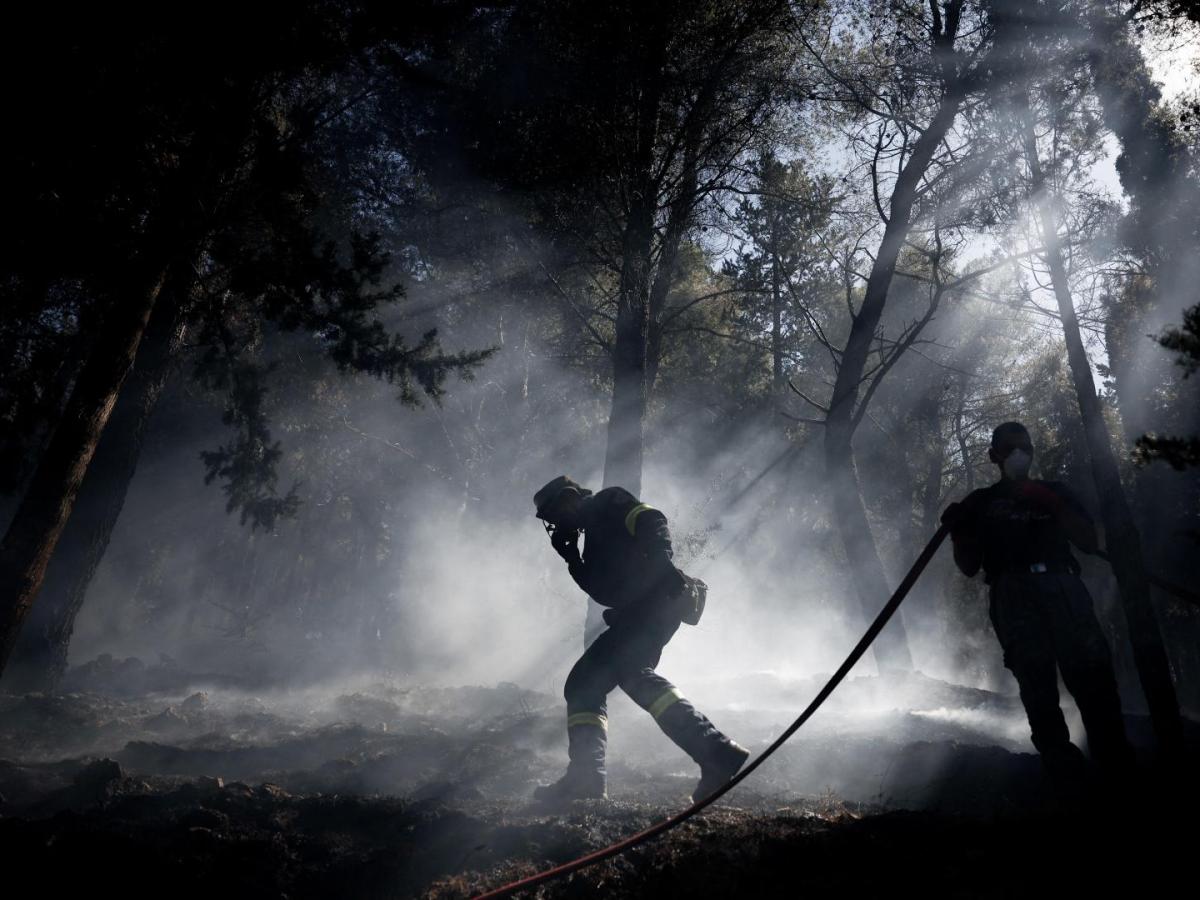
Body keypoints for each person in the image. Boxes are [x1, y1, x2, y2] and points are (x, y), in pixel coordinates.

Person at [532, 475, 749, 804]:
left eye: (554, 514)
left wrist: (662, 560)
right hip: (637, 613)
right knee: (584, 684)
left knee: (631, 673)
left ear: (568, 500)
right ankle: (587, 777)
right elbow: (605, 593)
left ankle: (715, 751)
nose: (555, 524)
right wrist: (572, 560)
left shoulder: (608, 502)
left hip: (657, 603)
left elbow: (651, 518)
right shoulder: (590, 537)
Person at [942, 422, 1134, 788]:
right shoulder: (980, 503)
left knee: (1093, 678)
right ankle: (1064, 774)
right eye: (1011, 447)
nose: (1019, 454)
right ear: (994, 456)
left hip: (1063, 587)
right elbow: (968, 566)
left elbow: (1089, 542)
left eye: (1025, 447)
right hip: (1013, 594)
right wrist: (959, 531)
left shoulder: (1055, 491)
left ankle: (1116, 770)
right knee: (1036, 685)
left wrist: (1053, 504)